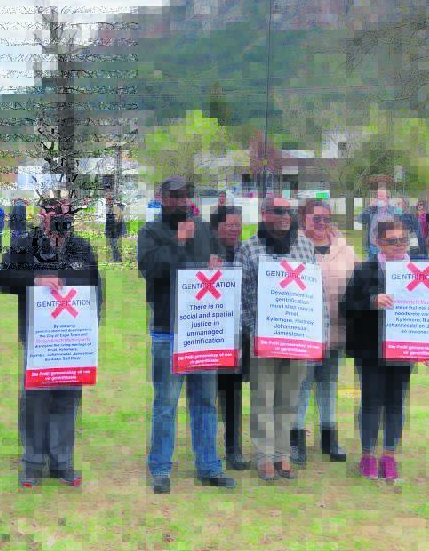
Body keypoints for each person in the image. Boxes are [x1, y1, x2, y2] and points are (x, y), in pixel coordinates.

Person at [0, 190, 103, 487]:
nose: (63, 219)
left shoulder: (81, 247)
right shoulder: (24, 244)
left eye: (68, 214)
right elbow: (1, 279)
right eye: (57, 214)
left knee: (68, 400)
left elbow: (95, 288)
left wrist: (92, 329)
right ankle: (32, 464)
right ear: (43, 215)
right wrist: (35, 279)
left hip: (74, 340)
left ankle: (62, 462)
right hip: (38, 339)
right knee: (35, 401)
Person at [138, 176, 236, 494]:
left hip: (203, 331)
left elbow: (220, 263)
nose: (181, 200)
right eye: (175, 195)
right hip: (168, 330)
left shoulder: (204, 229)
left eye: (186, 195)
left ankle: (209, 466)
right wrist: (177, 242)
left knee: (205, 402)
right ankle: (160, 468)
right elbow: (150, 268)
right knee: (166, 403)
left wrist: (219, 263)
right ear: (162, 197)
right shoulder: (151, 231)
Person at [238, 195, 322, 482]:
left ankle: (283, 455)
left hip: (298, 337)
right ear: (264, 214)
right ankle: (264, 457)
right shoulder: (249, 247)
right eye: (278, 211)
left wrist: (317, 332)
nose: (285, 216)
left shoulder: (305, 246)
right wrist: (252, 329)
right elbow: (241, 295)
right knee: (263, 397)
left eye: (289, 211)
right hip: (263, 337)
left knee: (289, 398)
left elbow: (315, 292)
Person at [340, 219, 414, 482]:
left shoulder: (418, 271)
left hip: (403, 347)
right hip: (370, 347)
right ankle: (368, 456)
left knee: (396, 402)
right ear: (378, 242)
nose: (398, 245)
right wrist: (372, 301)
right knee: (371, 400)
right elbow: (346, 306)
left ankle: (389, 456)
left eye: (403, 240)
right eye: (392, 241)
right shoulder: (365, 270)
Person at [292, 198, 355, 466]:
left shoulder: (345, 249)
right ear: (303, 219)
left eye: (326, 218)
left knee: (328, 384)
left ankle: (329, 437)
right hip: (304, 331)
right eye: (315, 218)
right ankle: (296, 439)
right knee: (302, 385)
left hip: (337, 330)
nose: (321, 223)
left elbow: (355, 285)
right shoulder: (293, 246)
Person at [209, 204, 248, 470]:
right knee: (208, 393)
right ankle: (208, 447)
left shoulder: (247, 252)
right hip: (211, 332)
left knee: (233, 391)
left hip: (237, 333)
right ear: (216, 227)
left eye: (238, 224)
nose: (235, 229)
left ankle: (234, 448)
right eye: (229, 224)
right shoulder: (204, 251)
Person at [358, 187, 392, 259]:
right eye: (377, 196)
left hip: (387, 248)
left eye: (381, 196)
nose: (378, 198)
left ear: (388, 199)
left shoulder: (393, 211)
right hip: (372, 248)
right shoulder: (372, 210)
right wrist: (370, 207)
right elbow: (361, 219)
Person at [105, 194, 125, 263]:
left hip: (116, 230)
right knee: (112, 244)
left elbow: (118, 220)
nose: (108, 201)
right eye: (107, 200)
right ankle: (116, 258)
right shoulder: (109, 208)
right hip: (111, 230)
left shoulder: (116, 208)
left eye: (109, 200)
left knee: (115, 244)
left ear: (112, 200)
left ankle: (117, 259)